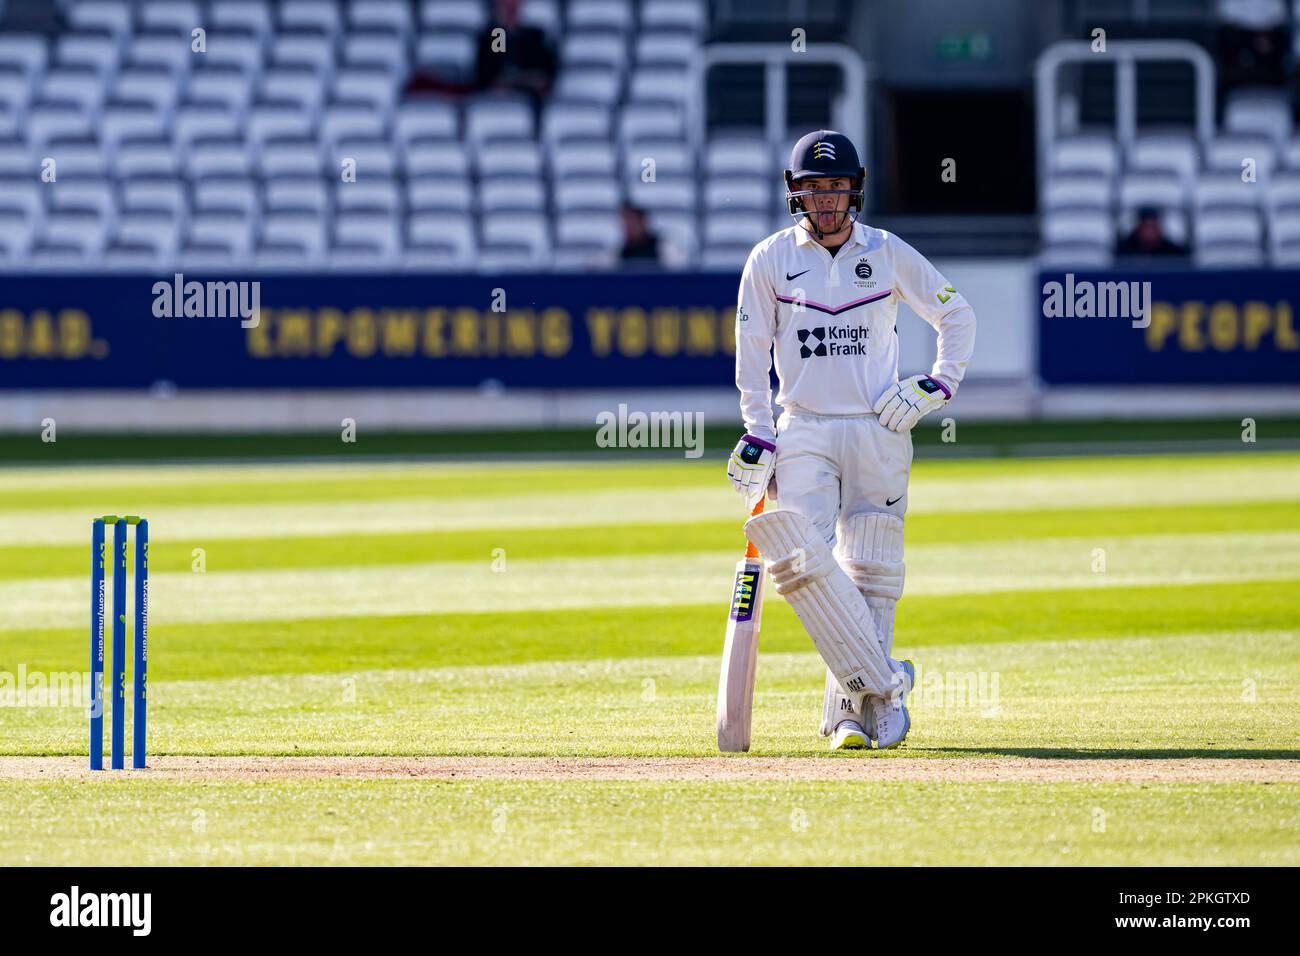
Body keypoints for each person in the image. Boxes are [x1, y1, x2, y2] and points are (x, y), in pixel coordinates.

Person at [725, 130, 976, 751]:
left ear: (854, 188)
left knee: (873, 570)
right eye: (815, 188)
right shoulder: (769, 259)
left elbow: (957, 314)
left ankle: (850, 714)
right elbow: (751, 356)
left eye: (837, 187)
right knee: (802, 564)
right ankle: (887, 686)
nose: (828, 201)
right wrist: (759, 430)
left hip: (879, 425)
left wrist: (938, 385)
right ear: (795, 193)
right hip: (802, 426)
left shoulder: (887, 252)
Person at [473, 0, 557, 108]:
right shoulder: (497, 35)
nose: (510, 9)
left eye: (514, 6)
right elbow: (495, 74)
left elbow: (542, 77)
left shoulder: (534, 36)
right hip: (500, 103)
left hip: (531, 101)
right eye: (506, 6)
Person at [1117, 207, 1188, 257]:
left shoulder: (1172, 251)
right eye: (1146, 226)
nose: (1149, 232)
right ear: (1139, 227)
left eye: (1153, 226)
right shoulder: (1125, 250)